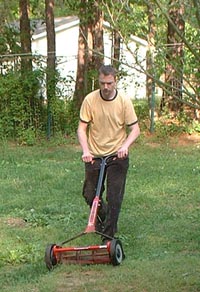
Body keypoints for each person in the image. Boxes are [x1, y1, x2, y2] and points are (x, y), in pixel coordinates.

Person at [77, 64, 140, 243]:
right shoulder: (90, 100)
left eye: (109, 83)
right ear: (98, 81)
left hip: (117, 156)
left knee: (114, 197)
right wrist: (86, 150)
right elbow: (82, 129)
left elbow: (135, 129)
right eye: (102, 83)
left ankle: (108, 237)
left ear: (115, 81)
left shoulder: (124, 102)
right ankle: (102, 216)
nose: (105, 87)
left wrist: (125, 146)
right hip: (94, 155)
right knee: (90, 193)